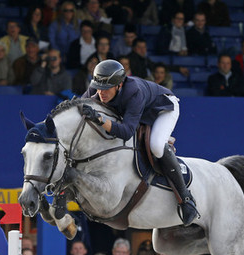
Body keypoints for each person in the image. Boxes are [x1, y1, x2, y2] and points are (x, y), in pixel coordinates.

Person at [81, 60, 199, 225]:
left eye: (107, 89)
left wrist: (100, 119)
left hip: (162, 109)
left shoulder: (134, 92)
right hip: (137, 111)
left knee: (156, 146)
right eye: (99, 87)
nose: (102, 93)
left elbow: (127, 131)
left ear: (119, 85)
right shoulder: (99, 85)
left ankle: (186, 199)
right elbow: (80, 106)